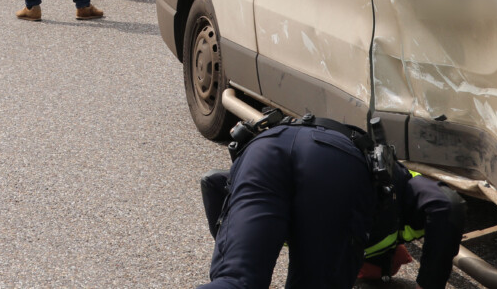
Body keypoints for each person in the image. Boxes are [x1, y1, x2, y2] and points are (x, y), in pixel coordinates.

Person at [198, 113, 465, 289]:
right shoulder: (401, 189)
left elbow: (214, 183)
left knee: (236, 280)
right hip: (336, 160)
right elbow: (448, 205)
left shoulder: (352, 224)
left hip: (266, 146)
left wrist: (244, 245)